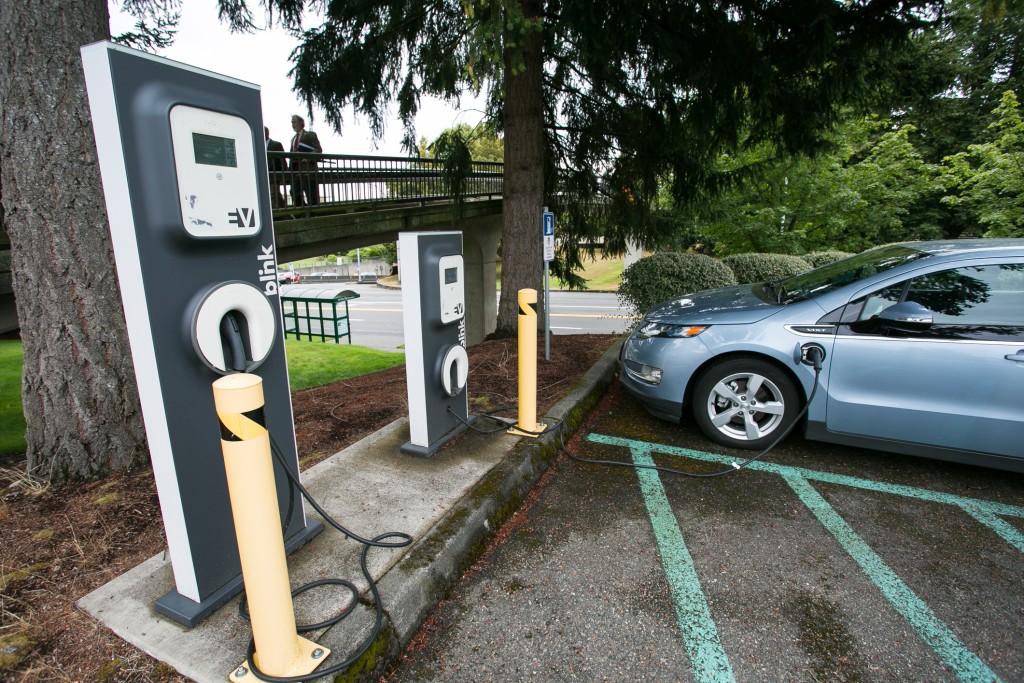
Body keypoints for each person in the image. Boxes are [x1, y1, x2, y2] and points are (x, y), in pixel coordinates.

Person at [289, 115, 322, 207]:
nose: (293, 124)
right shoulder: (293, 139)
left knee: (311, 192)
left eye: (294, 122)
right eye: (292, 122)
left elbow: (318, 150)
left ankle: (313, 213)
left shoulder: (310, 135)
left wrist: (308, 158)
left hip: (308, 169)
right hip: (296, 170)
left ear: (301, 123)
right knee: (294, 192)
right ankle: (302, 212)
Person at [264, 126, 286, 208]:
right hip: (265, 174)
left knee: (273, 193)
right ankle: (285, 213)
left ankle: (282, 213)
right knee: (274, 194)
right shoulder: (259, 145)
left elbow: (282, 160)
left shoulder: (276, 144)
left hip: (275, 173)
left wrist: (284, 174)